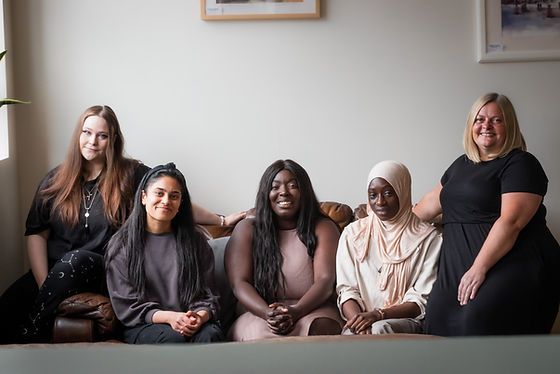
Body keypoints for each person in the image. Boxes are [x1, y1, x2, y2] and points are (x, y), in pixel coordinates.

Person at [0, 105, 242, 344]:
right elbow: (36, 234)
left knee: (75, 260)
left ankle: (31, 336)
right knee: (7, 306)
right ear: (78, 135)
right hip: (53, 272)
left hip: (100, 267)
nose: (92, 141)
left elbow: (167, 196)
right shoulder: (55, 179)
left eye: (102, 135)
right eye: (87, 132)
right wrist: (46, 287)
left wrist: (222, 220)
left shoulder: (130, 174)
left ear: (113, 139)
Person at [414, 93, 560, 335]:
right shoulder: (460, 165)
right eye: (480, 119)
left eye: (496, 120)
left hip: (510, 262)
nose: (486, 126)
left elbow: (511, 222)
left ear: (509, 125)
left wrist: (478, 269)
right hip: (457, 265)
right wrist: (374, 221)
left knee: (476, 321)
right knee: (435, 320)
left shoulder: (521, 163)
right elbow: (425, 208)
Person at [105, 163, 223, 344]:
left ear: (180, 203)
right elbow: (128, 306)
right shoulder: (121, 245)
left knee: (210, 335)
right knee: (172, 339)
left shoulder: (196, 241)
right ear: (144, 197)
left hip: (190, 320)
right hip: (145, 324)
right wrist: (169, 317)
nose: (166, 201)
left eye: (174, 196)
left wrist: (199, 317)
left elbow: (208, 296)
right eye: (159, 193)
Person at [225, 159, 343, 341]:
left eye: (293, 186)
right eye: (275, 187)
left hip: (313, 309)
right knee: (255, 335)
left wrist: (296, 311)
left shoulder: (323, 227)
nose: (284, 193)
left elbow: (325, 281)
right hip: (259, 312)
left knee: (320, 329)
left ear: (305, 192)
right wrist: (268, 314)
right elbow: (239, 283)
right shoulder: (247, 229)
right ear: (266, 193)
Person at [336, 161, 442, 335]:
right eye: (373, 195)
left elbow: (420, 300)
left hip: (403, 321)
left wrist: (378, 315)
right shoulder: (353, 234)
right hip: (360, 320)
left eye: (388, 193)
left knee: (381, 329)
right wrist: (360, 323)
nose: (380, 202)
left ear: (403, 191)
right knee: (351, 334)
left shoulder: (429, 238)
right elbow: (346, 290)